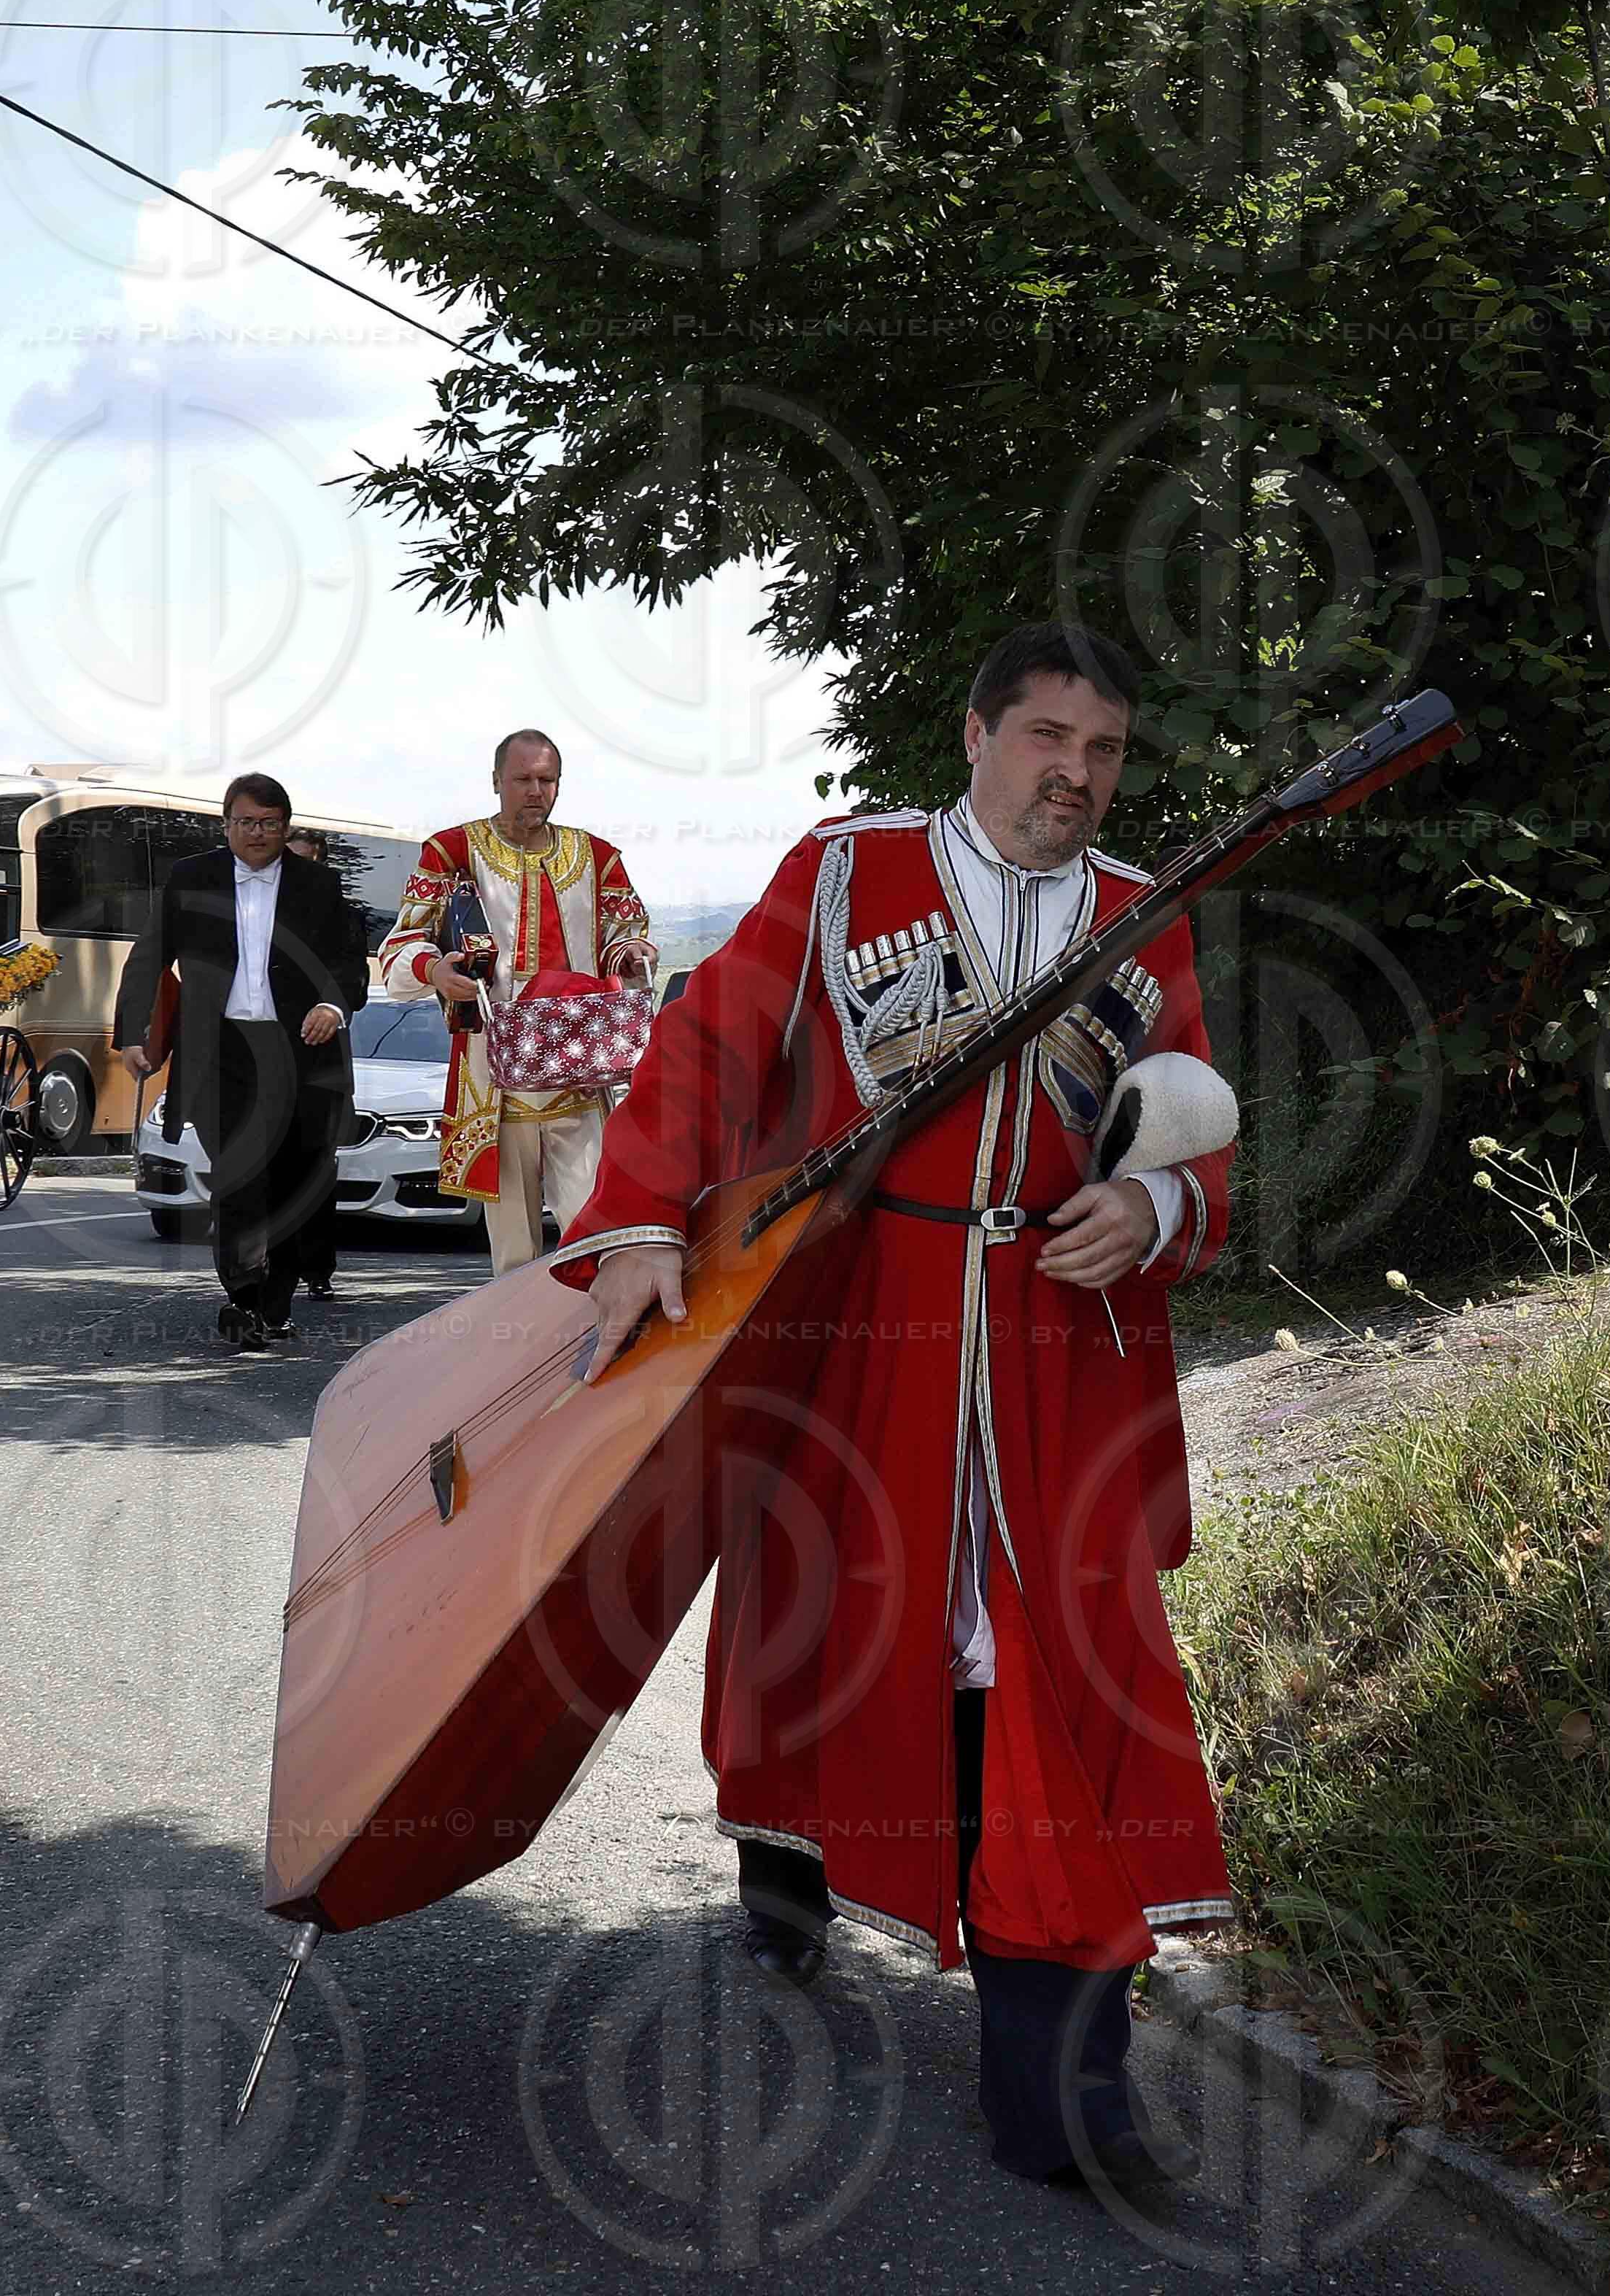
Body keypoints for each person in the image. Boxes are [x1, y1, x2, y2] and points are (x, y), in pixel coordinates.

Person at [560, 621, 1234, 2195]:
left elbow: (1189, 1120)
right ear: (980, 730)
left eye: (1107, 749)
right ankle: (788, 1846)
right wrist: (643, 1220)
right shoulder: (851, 873)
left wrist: (1153, 1208)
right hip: (870, 1331)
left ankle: (1073, 2084)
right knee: (828, 1621)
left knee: (1058, 1673)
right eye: (1048, 736)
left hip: (1065, 1353)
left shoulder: (1144, 919)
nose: (1076, 771)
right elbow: (710, 1042)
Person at [378, 730, 657, 1271]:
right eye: (523, 779)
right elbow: (402, 943)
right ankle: (520, 1345)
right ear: (496, 782)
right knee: (513, 1249)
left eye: (546, 780)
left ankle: (593, 1342)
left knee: (594, 1232)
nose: (536, 791)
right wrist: (435, 968)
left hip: (579, 1066)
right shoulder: (452, 851)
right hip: (494, 1072)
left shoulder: (597, 856)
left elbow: (625, 932)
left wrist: (631, 950)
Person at [112, 776, 367, 1350]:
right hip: (222, 1053)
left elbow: (350, 963)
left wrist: (331, 1003)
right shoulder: (190, 878)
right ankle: (245, 1297)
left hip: (301, 1053)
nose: (258, 834)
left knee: (293, 1181)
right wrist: (133, 1035)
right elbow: (151, 953)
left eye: (270, 824)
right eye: (247, 823)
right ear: (226, 824)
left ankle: (274, 1305)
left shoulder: (320, 885)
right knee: (239, 1180)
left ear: (286, 827)